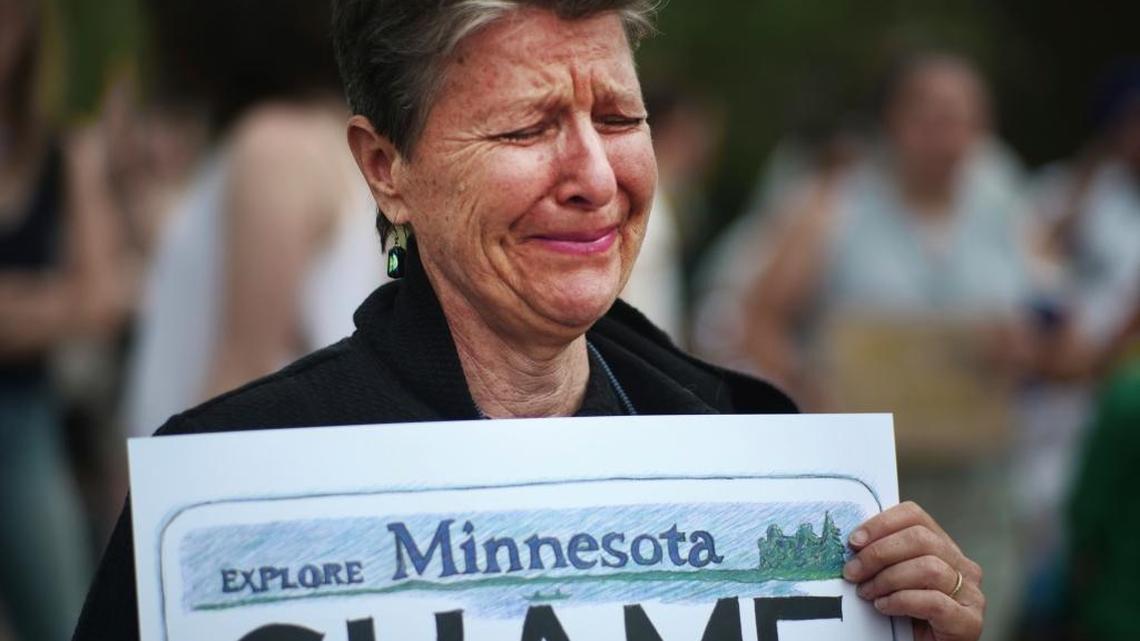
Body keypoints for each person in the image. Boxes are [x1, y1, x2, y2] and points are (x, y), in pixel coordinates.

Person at [73, 4, 986, 640]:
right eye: (525, 129)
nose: (596, 176)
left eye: (621, 116)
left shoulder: (760, 458)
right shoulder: (235, 482)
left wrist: (908, 627)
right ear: (387, 168)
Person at [121, 0, 385, 438]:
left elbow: (245, 371)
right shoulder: (312, 131)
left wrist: (174, 490)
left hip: (205, 479)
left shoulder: (274, 146)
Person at [1, 1, 131, 639]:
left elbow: (102, 299)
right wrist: (53, 299)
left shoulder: (59, 147)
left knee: (66, 618)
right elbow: (84, 295)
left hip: (26, 425)